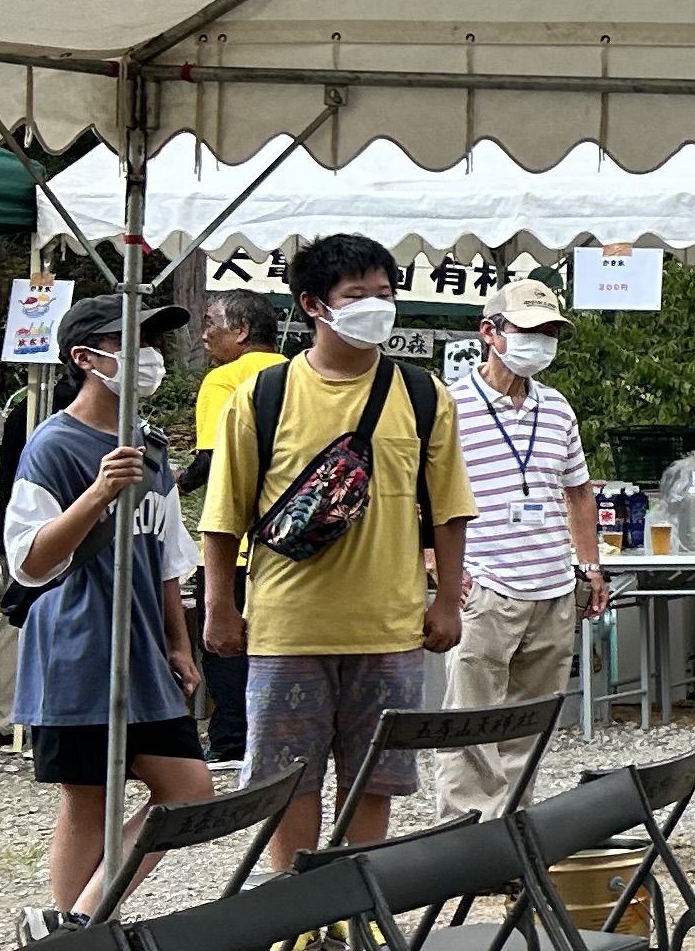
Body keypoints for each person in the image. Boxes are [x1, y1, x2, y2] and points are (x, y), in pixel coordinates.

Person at [200, 235, 474, 860]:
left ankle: (358, 904)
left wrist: (448, 600)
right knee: (286, 778)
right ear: (314, 306)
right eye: (357, 296)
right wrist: (219, 604)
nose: (375, 306)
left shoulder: (425, 395)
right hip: (287, 626)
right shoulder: (262, 397)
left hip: (391, 626)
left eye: (384, 293)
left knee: (374, 778)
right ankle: (295, 903)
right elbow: (223, 516)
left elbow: (450, 511)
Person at [7, 293, 216, 926]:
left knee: (189, 793)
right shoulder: (54, 444)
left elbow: (166, 555)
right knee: (88, 799)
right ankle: (76, 945)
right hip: (76, 645)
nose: (149, 357)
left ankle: (75, 927)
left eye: (152, 343)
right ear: (87, 358)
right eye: (133, 344)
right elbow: (30, 561)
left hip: (143, 649)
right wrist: (97, 492)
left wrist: (178, 642)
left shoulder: (150, 449)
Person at [423, 275, 604, 820]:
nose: (541, 341)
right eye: (529, 329)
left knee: (531, 720)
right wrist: (440, 571)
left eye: (550, 331)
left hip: (551, 584)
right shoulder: (448, 405)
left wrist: (589, 566)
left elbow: (578, 492)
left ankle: (514, 828)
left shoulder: (557, 407)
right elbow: (417, 496)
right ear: (490, 333)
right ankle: (463, 835)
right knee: (471, 719)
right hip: (485, 584)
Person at [180, 290, 282, 764]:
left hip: (237, 541)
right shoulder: (299, 373)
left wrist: (173, 480)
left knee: (224, 640)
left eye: (211, 324)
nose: (204, 335)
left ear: (241, 332)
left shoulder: (224, 381)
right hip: (291, 539)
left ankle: (230, 740)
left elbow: (212, 460)